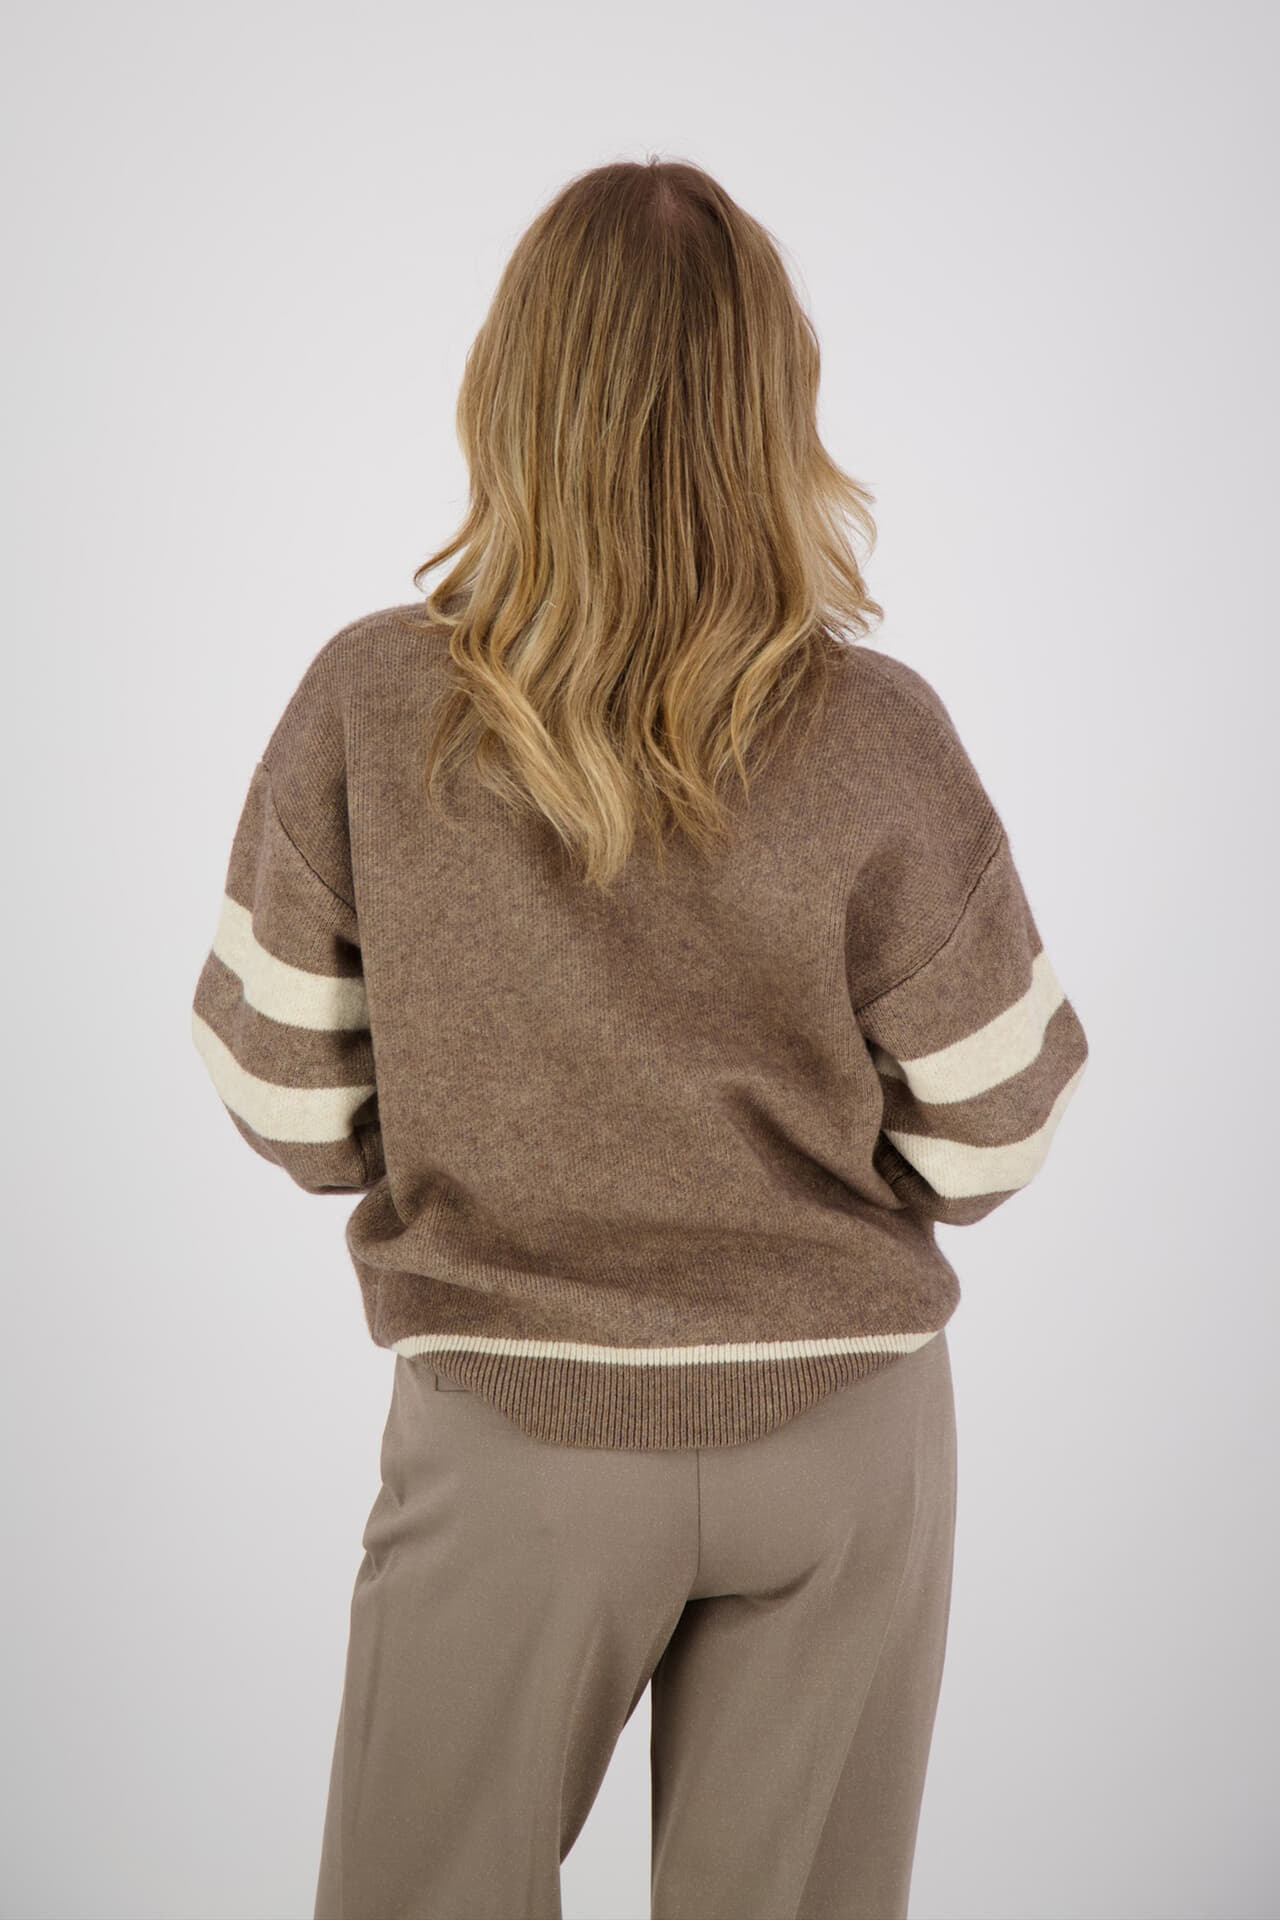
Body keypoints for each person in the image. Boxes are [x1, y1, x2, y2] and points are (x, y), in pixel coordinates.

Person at [190, 156, 1089, 1920]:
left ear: (509, 391)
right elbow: (998, 1125)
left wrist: (479, 1122)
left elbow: (278, 1084)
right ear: (778, 405)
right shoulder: (880, 730)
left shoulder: (372, 700)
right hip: (843, 1436)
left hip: (510, 1427)